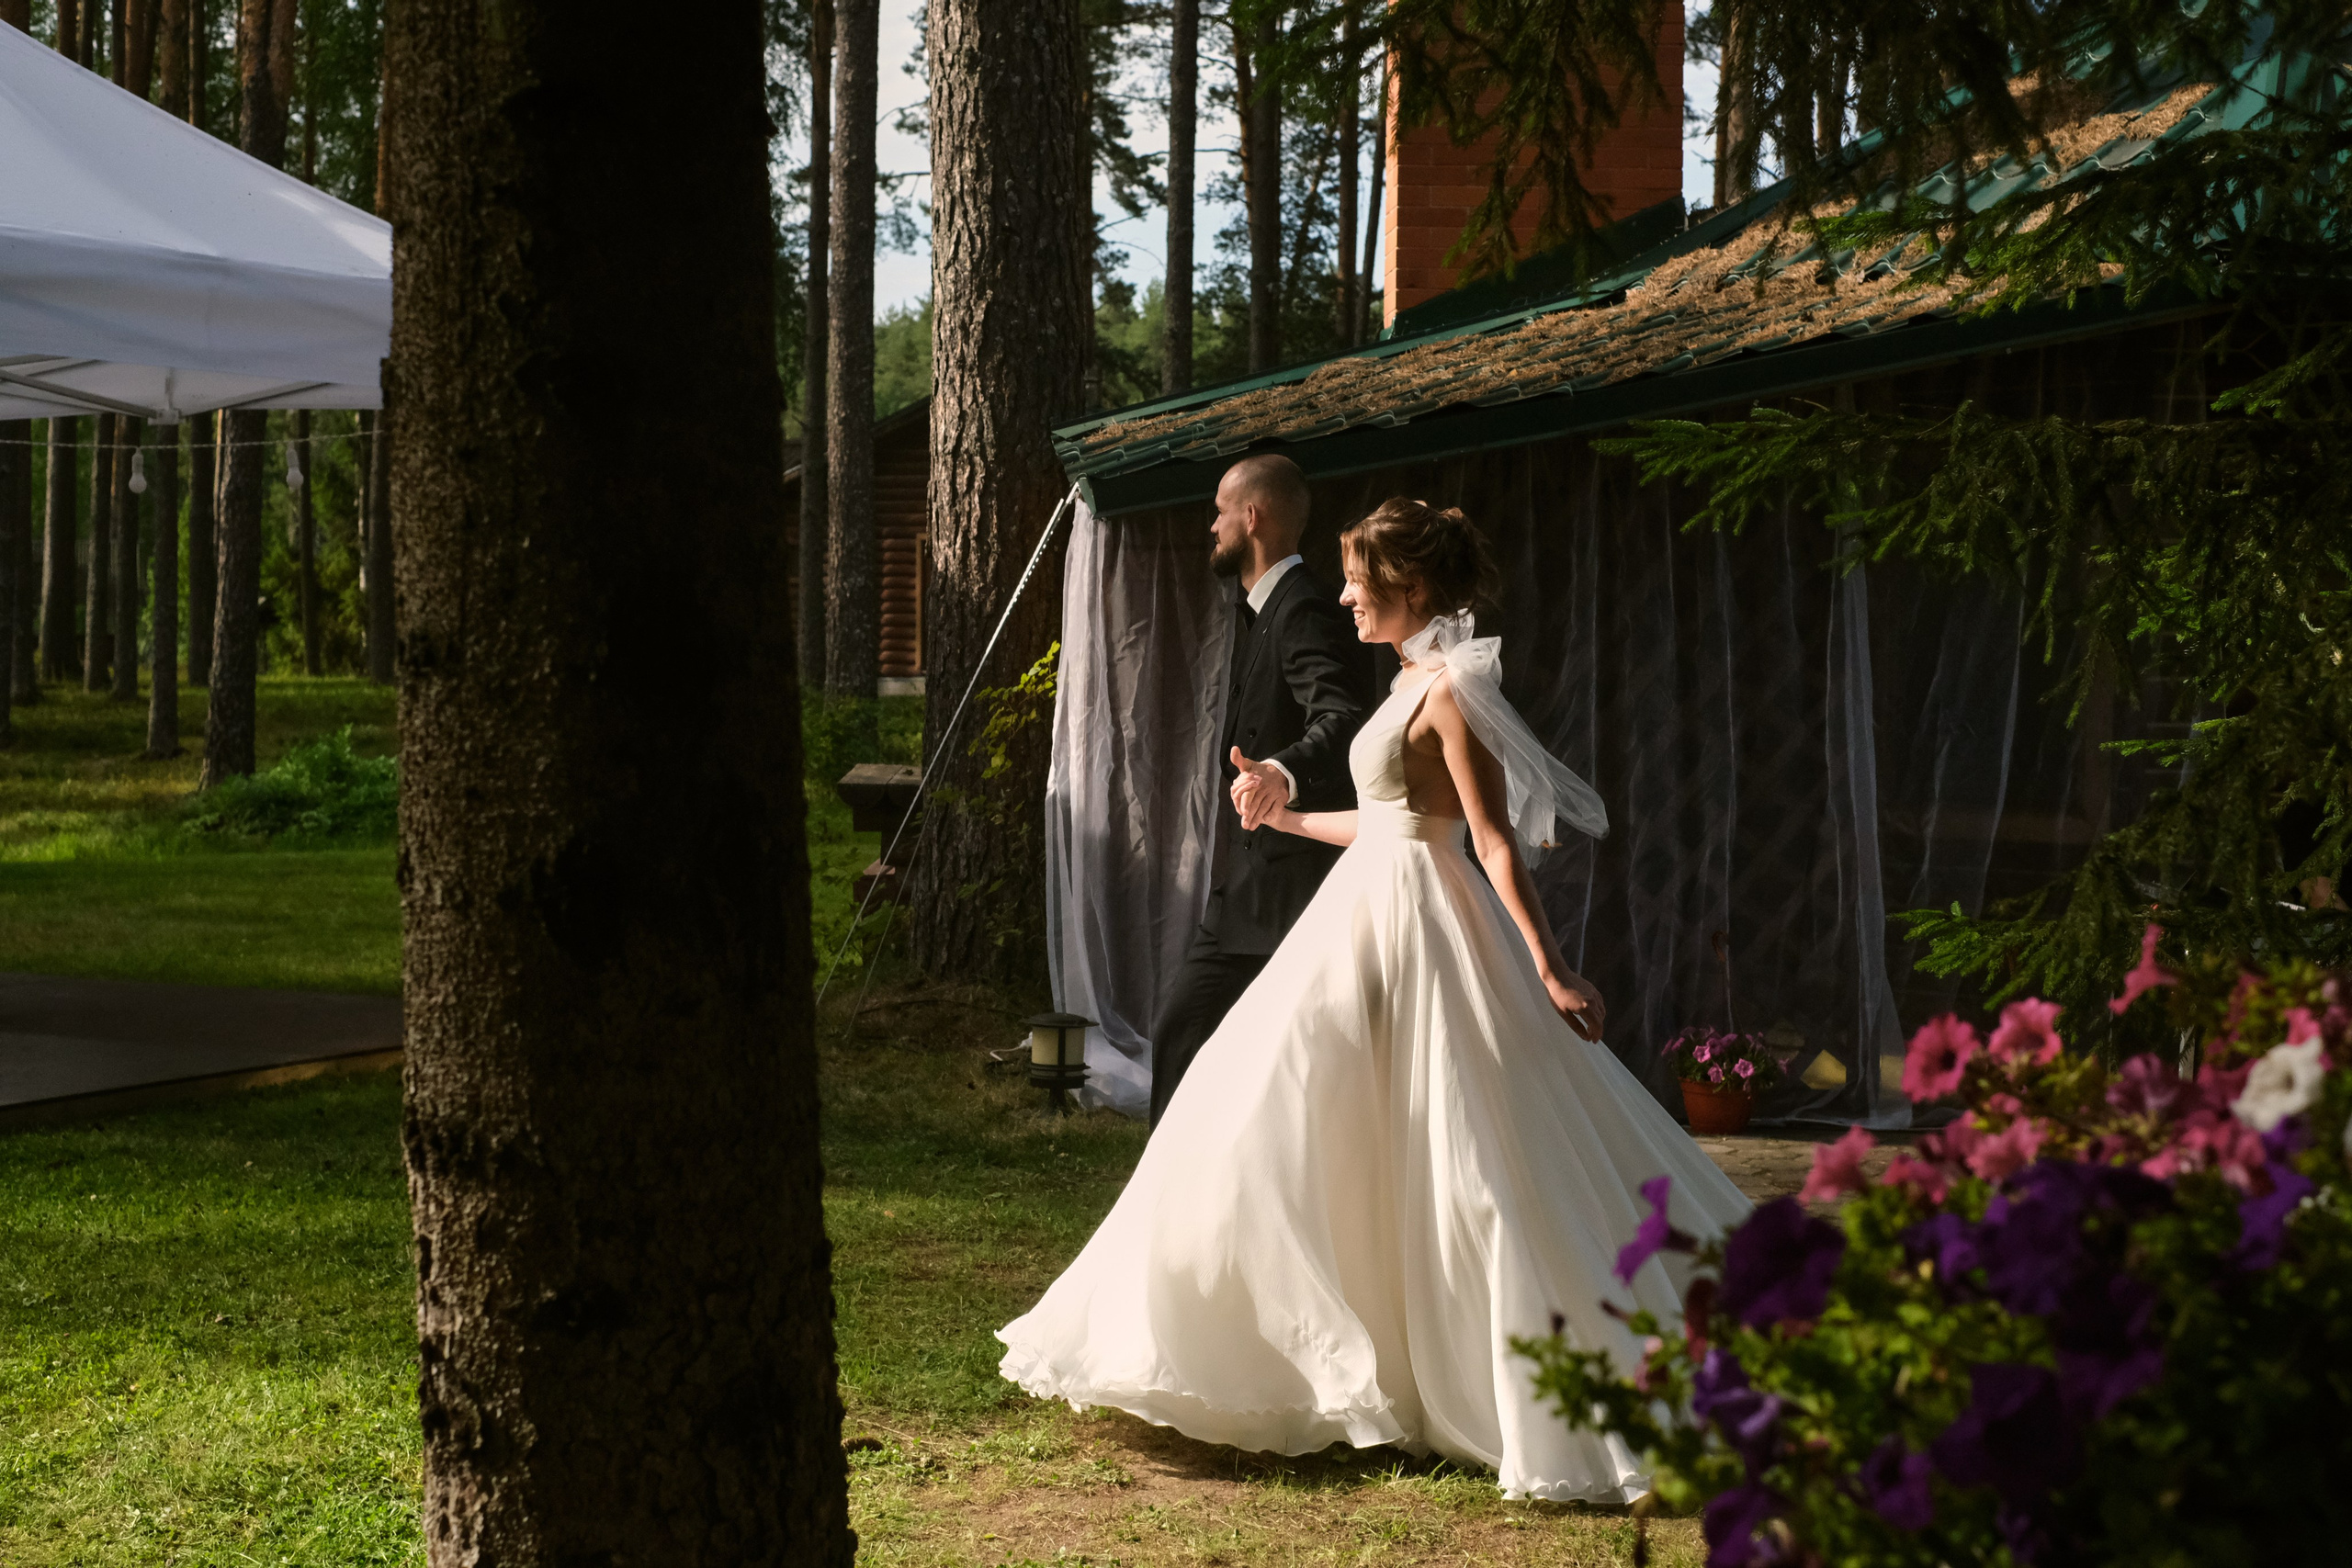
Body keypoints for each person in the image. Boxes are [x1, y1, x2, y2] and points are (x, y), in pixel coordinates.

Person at [999, 498, 1751, 1502]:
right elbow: (1390, 822)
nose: (1345, 595)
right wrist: (1287, 811)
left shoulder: (1448, 690)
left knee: (1458, 1141)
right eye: (1348, 579)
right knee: (1270, 1098)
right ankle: (1283, 1353)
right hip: (1359, 918)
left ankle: (1473, 1367)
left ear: (1413, 589)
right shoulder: (1400, 683)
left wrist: (1548, 963)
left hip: (1423, 932)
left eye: (1359, 581)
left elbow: (1480, 840)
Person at [1148, 453, 1375, 1125]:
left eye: (1219, 510)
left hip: (1287, 893)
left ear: (1252, 517)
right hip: (1254, 890)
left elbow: (1341, 715)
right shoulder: (1266, 606)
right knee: (1206, 1046)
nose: (1210, 525)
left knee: (1194, 1037)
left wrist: (1281, 770)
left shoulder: (1301, 608)